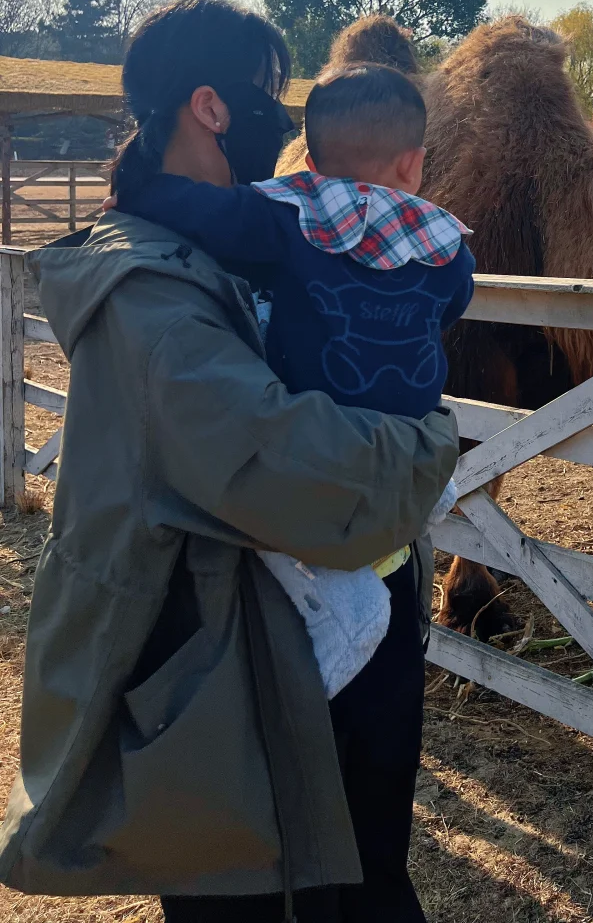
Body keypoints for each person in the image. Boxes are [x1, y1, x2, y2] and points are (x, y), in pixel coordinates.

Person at [0, 0, 459, 923]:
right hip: (226, 662)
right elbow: (279, 462)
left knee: (364, 874)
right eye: (270, 99)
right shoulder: (148, 283)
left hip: (311, 638)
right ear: (213, 107)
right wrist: (431, 442)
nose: (284, 127)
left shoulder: (252, 242)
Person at [111, 62, 477, 881]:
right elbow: (452, 307)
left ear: (307, 157)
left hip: (309, 472)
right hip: (403, 466)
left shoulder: (284, 220)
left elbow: (183, 208)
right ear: (415, 164)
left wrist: (131, 190)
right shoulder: (447, 246)